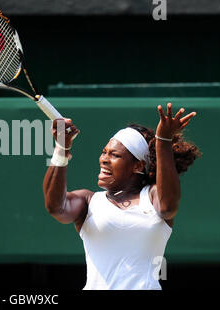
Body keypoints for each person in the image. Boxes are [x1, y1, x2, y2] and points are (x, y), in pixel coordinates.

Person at [43, 103, 201, 290]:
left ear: (138, 166)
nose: (103, 159)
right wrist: (61, 147)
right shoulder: (89, 202)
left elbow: (168, 207)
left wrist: (163, 140)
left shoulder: (153, 196)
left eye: (114, 155)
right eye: (104, 152)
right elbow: (56, 207)